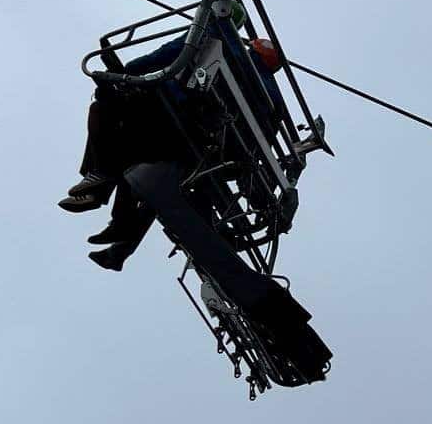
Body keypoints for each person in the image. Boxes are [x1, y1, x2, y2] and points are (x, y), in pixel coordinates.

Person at [60, 30, 285, 271]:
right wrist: (244, 176)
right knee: (157, 178)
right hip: (211, 148)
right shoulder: (273, 98)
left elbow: (167, 55)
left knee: (106, 109)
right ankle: (119, 243)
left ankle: (102, 185)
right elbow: (262, 141)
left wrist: (126, 72)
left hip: (178, 116)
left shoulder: (225, 44)